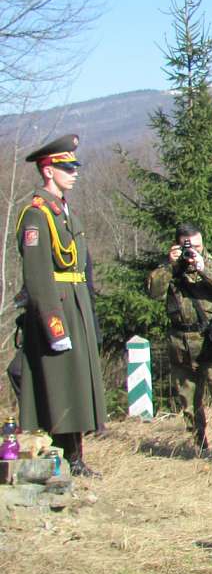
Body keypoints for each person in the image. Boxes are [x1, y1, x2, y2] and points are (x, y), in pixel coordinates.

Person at [13, 134, 107, 477]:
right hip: (59, 308)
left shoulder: (64, 212)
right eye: (67, 167)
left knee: (77, 382)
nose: (74, 172)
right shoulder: (36, 215)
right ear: (48, 170)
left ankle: (76, 456)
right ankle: (64, 457)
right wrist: (54, 325)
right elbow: (38, 277)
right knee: (61, 383)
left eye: (74, 166)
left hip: (76, 304)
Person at [147, 223, 212, 457]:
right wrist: (170, 265)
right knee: (188, 400)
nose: (193, 251)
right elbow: (153, 291)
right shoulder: (170, 269)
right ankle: (199, 446)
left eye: (197, 247)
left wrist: (202, 269)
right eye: (188, 247)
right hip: (181, 342)